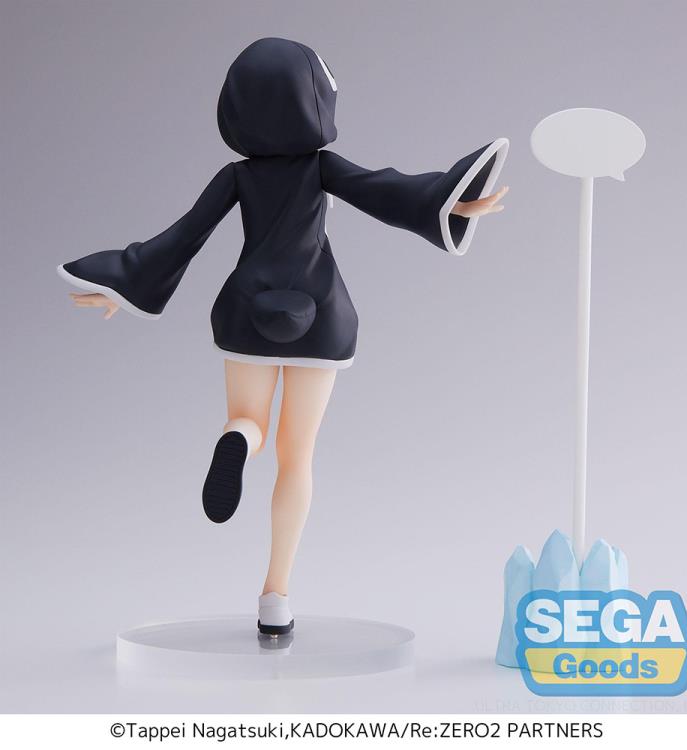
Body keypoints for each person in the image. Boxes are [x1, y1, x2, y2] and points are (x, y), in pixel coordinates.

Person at [58, 38, 509, 636]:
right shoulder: (322, 168)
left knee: (248, 420)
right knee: (297, 456)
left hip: (247, 310)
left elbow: (182, 237)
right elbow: (386, 191)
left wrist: (123, 283)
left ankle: (237, 440)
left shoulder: (237, 176)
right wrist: (449, 202)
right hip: (319, 316)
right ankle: (275, 595)